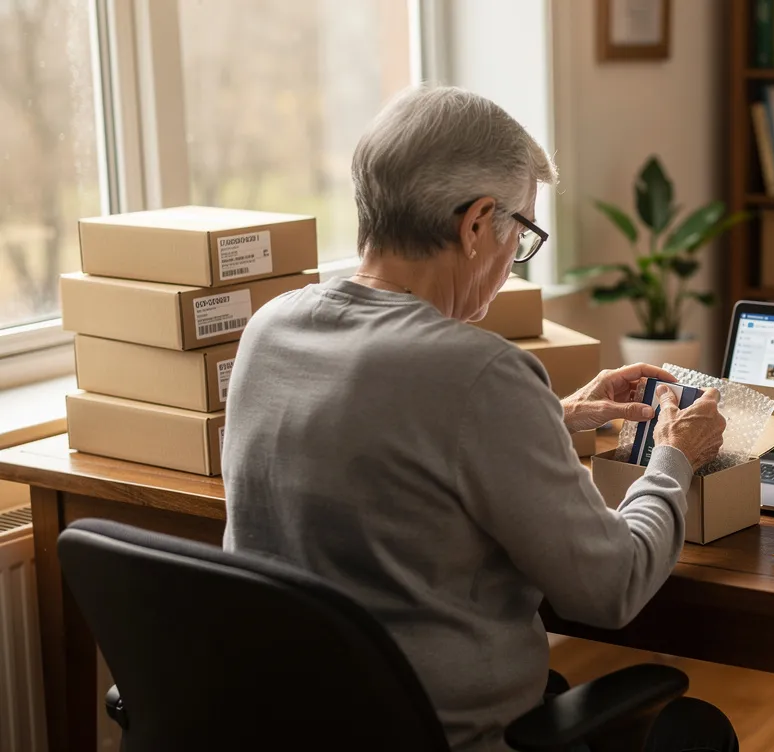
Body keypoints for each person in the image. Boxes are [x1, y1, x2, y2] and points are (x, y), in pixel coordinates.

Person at [221, 86, 736, 752]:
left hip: (289, 726)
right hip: (447, 736)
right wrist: (673, 458)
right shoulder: (478, 372)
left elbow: (386, 442)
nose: (514, 258)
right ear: (475, 225)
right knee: (695, 734)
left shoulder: (270, 328)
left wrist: (555, 415)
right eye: (520, 234)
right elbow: (612, 587)